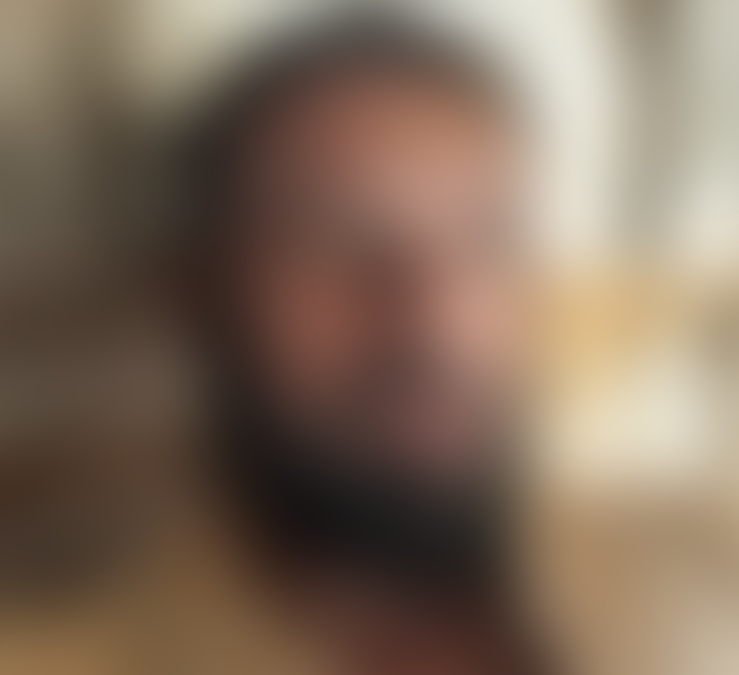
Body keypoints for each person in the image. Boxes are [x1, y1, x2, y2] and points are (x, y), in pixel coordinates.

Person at [178, 19, 539, 675]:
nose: (435, 316)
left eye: (486, 239)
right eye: (338, 238)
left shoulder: (700, 571)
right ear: (208, 292)